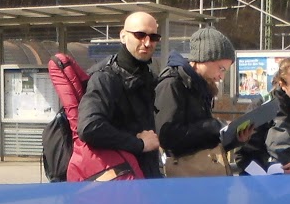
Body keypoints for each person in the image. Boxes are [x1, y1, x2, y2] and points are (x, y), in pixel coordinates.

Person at [79, 11, 164, 179]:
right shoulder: (105, 78)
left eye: (153, 37)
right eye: (140, 35)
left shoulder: (149, 77)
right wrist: (139, 144)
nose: (147, 43)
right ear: (123, 36)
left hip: (144, 176)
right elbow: (89, 128)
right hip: (120, 181)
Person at [156, 26, 236, 177]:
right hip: (187, 175)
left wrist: (234, 138)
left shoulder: (200, 85)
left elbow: (200, 138)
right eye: (221, 69)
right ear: (204, 58)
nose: (221, 76)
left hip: (204, 170)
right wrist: (214, 126)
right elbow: (167, 136)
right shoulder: (172, 84)